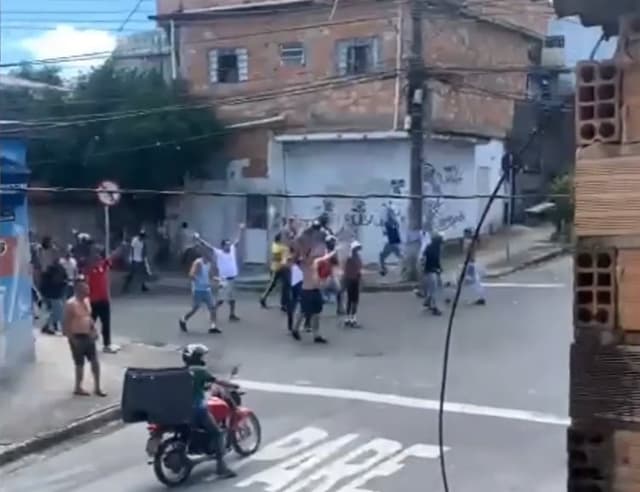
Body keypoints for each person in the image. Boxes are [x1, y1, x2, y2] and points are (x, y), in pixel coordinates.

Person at [181, 344, 236, 478]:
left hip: (181, 409)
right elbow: (217, 381)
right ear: (196, 358)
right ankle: (221, 467)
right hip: (197, 410)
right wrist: (233, 385)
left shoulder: (182, 371)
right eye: (201, 356)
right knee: (217, 433)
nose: (203, 359)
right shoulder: (200, 371)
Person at [62, 275, 107, 397]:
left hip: (88, 335)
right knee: (79, 364)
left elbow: (89, 317)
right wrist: (71, 338)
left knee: (95, 362)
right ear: (78, 290)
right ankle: (78, 387)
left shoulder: (87, 301)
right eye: (84, 289)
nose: (87, 291)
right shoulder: (70, 304)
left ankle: (97, 387)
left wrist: (94, 330)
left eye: (87, 289)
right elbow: (66, 323)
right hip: (77, 337)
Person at [291, 246, 336, 343]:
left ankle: (316, 335)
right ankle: (295, 329)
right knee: (303, 311)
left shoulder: (319, 262)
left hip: (316, 290)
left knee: (316, 313)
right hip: (306, 290)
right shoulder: (304, 262)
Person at [84, 244, 120, 354]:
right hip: (93, 301)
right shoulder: (88, 270)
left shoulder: (103, 266)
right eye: (95, 256)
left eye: (99, 256)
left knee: (106, 323)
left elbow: (112, 257)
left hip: (104, 300)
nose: (97, 258)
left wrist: (117, 249)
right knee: (90, 323)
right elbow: (85, 283)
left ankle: (107, 345)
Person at [180, 246, 220, 334]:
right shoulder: (198, 263)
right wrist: (199, 282)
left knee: (212, 307)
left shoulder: (209, 264)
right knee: (195, 308)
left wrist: (218, 279)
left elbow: (210, 276)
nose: (212, 256)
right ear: (205, 255)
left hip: (206, 289)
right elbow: (191, 274)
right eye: (210, 255)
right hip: (198, 289)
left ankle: (213, 327)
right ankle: (183, 319)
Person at [213, 224, 245, 322]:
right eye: (226, 244)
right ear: (222, 246)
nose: (228, 245)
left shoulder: (232, 249)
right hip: (224, 280)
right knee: (221, 300)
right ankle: (212, 312)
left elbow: (237, 241)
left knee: (232, 299)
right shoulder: (219, 253)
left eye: (228, 244)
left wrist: (240, 229)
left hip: (232, 278)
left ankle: (232, 314)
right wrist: (199, 240)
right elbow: (208, 246)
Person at [40, 250, 68, 335]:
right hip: (53, 294)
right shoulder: (53, 269)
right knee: (60, 312)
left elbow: (64, 278)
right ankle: (64, 330)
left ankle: (47, 326)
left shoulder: (58, 268)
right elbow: (56, 280)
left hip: (55, 293)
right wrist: (63, 282)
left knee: (55, 312)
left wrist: (64, 282)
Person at [260, 233, 290, 311]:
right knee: (273, 284)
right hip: (277, 268)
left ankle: (284, 304)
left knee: (285, 285)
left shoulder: (278, 245)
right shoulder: (279, 247)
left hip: (280, 268)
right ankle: (263, 298)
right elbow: (284, 255)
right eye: (282, 238)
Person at [422, 232, 443, 316]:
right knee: (434, 290)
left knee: (433, 289)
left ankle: (427, 302)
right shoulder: (431, 249)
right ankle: (435, 308)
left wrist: (439, 268)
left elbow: (436, 260)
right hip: (430, 271)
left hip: (432, 271)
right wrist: (436, 269)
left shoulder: (434, 248)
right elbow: (428, 261)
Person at [343, 240, 363, 327]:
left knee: (352, 300)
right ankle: (351, 319)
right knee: (353, 300)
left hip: (352, 280)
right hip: (352, 280)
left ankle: (350, 318)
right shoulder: (351, 257)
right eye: (357, 248)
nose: (358, 249)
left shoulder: (354, 256)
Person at [379, 209, 402, 276]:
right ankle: (384, 269)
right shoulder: (394, 222)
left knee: (382, 256)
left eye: (389, 213)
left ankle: (384, 270)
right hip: (394, 242)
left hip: (391, 243)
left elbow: (388, 231)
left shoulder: (389, 222)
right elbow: (391, 231)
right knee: (399, 256)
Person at [286, 249, 304, 333]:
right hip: (295, 283)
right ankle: (292, 326)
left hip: (296, 282)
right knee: (293, 305)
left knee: (294, 304)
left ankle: (292, 325)